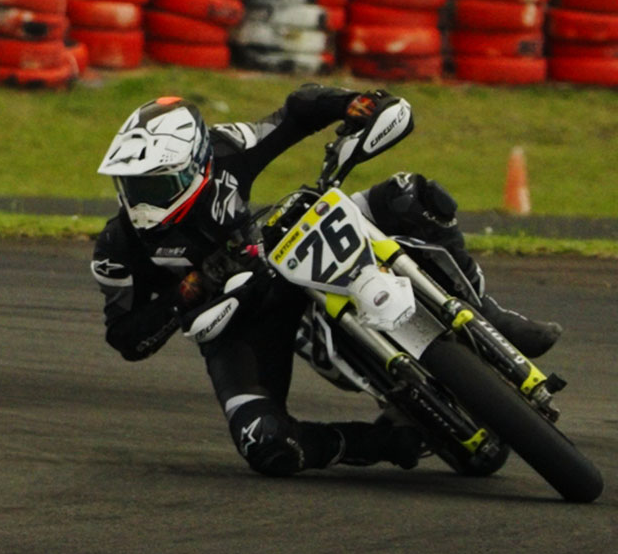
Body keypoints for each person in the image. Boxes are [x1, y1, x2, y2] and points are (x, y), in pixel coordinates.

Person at [91, 85, 562, 477]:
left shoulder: (227, 150)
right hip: (236, 322)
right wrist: (190, 288)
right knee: (266, 444)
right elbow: (127, 338)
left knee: (410, 196)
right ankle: (382, 441)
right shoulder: (118, 245)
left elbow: (293, 114)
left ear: (196, 163)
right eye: (129, 186)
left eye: (153, 185)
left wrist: (352, 104)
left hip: (286, 247)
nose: (140, 203)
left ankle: (489, 313)